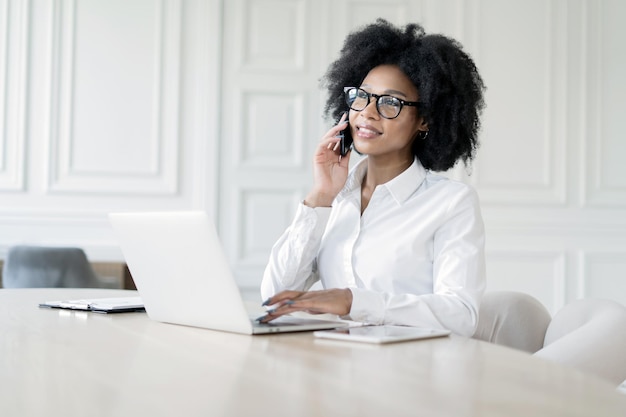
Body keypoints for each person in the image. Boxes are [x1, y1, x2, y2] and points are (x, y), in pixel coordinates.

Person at [258, 19, 486, 336]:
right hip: (336, 364)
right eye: (362, 96)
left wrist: (354, 302)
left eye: (390, 102)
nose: (367, 112)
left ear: (424, 120)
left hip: (412, 371)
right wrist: (321, 196)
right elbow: (275, 294)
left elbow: (461, 315)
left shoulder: (450, 203)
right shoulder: (334, 198)